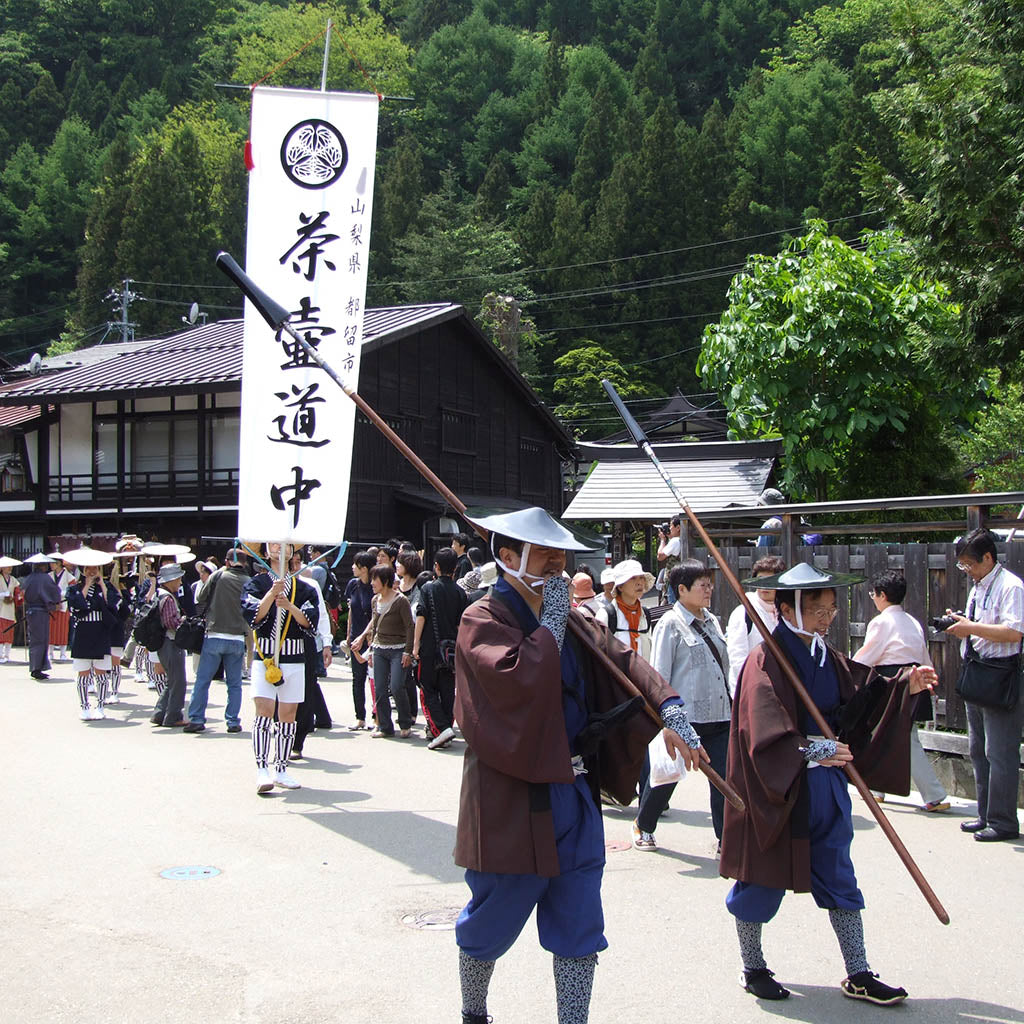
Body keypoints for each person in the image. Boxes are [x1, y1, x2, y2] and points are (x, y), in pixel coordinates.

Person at [452, 506, 707, 1024]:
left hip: (575, 790)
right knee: (492, 919)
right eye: (544, 554)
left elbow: (623, 662)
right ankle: (473, 1011)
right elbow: (519, 682)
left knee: (579, 919)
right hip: (513, 798)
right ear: (508, 557)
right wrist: (548, 624)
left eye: (559, 555)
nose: (557, 564)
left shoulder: (569, 616)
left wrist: (671, 709)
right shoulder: (481, 619)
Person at [719, 562, 937, 1005]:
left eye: (831, 610)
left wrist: (902, 684)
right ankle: (752, 964)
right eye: (817, 609)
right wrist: (809, 749)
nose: (826, 617)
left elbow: (861, 694)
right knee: (761, 879)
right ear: (786, 609)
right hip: (780, 789)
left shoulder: (824, 655)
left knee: (839, 874)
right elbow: (759, 726)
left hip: (826, 789)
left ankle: (858, 971)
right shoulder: (765, 659)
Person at [634, 559, 731, 852]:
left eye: (709, 584)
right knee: (666, 777)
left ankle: (725, 840)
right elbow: (659, 676)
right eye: (702, 585)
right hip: (684, 719)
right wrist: (666, 721)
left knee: (725, 782)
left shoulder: (712, 620)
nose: (709, 590)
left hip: (720, 715)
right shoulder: (669, 625)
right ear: (682, 589)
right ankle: (645, 825)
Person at [944, 528, 1024, 842]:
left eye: (969, 564)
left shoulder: (1011, 586)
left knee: (999, 750)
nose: (967, 571)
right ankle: (986, 814)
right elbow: (983, 625)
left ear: (988, 557)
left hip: (1001, 673)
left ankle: (1003, 822)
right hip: (976, 668)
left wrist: (970, 627)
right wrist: (962, 620)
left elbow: (1014, 632)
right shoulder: (979, 586)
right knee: (977, 749)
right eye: (963, 565)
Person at [853, 569, 949, 812]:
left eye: (874, 594)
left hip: (892, 681)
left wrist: (849, 670)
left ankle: (935, 794)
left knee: (902, 738)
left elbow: (867, 656)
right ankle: (877, 788)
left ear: (882, 595)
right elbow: (923, 655)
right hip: (913, 677)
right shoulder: (911, 621)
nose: (873, 598)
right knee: (887, 735)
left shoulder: (881, 622)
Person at [242, 542, 319, 792]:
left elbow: (309, 624)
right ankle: (262, 768)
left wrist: (289, 606)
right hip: (265, 656)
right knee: (263, 709)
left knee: (288, 715)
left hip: (294, 656)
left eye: (284, 544)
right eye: (272, 544)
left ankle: (282, 768)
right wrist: (270, 595)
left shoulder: (305, 588)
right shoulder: (255, 584)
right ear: (265, 552)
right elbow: (253, 617)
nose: (278, 547)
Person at [184, 548, 250, 734]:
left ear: (227, 561)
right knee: (235, 684)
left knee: (203, 680)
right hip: (237, 637)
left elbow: (200, 597)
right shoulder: (248, 581)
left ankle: (196, 719)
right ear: (244, 563)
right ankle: (232, 721)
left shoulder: (219, 575)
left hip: (214, 634)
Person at [414, 546, 468, 750]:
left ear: (436, 566)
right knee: (447, 690)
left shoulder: (428, 588)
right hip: (451, 649)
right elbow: (460, 624)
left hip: (430, 647)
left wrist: (416, 644)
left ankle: (441, 728)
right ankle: (445, 728)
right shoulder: (460, 592)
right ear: (455, 568)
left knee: (426, 687)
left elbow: (421, 616)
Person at [358, 564, 415, 739]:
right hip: (380, 649)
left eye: (376, 579)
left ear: (386, 581)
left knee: (397, 685)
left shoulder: (401, 601)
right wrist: (371, 650)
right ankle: (385, 726)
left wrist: (408, 652)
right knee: (380, 688)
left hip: (398, 649)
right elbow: (374, 626)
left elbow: (409, 627)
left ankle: (405, 722)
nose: (373, 582)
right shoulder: (375, 600)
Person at [66, 559, 120, 721]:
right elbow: (76, 606)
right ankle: (84, 706)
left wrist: (103, 585)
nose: (92, 571)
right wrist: (87, 585)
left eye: (95, 568)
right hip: (83, 632)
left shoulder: (106, 587)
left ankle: (101, 705)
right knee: (83, 674)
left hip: (100, 632)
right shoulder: (74, 588)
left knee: (101, 674)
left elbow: (112, 605)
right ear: (82, 570)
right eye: (88, 569)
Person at [725, 555, 783, 697]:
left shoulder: (786, 613)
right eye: (760, 579)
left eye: (769, 580)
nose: (764, 585)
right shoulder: (744, 613)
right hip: (750, 690)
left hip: (779, 690)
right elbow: (737, 658)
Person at [149, 563, 188, 729]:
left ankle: (159, 713)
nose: (180, 582)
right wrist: (184, 622)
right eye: (178, 578)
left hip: (162, 644)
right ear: (171, 580)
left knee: (171, 680)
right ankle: (173, 716)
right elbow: (170, 622)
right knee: (179, 681)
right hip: (171, 643)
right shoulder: (168, 598)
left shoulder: (158, 594)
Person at [594, 559, 654, 660]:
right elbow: (598, 654)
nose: (639, 582)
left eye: (641, 578)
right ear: (620, 587)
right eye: (633, 578)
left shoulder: (645, 614)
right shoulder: (607, 614)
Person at [346, 552, 376, 730]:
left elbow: (376, 614)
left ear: (364, 568)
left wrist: (365, 636)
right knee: (357, 678)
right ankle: (359, 717)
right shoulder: (353, 585)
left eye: (355, 565)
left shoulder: (375, 586)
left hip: (371, 638)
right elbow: (351, 609)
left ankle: (375, 716)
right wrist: (349, 633)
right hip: (355, 636)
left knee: (374, 678)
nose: (352, 567)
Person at [23, 560, 61, 679]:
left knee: (34, 640)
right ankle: (37, 668)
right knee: (41, 640)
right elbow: (54, 592)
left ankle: (35, 666)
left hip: (31, 611)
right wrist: (54, 604)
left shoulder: (28, 578)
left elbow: (23, 593)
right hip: (40, 612)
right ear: (43, 566)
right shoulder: (44, 578)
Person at [48, 558, 77, 663]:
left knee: (62, 629)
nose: (51, 565)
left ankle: (63, 653)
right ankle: (50, 652)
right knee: (51, 629)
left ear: (59, 564)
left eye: (53, 563)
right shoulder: (49, 576)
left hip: (63, 604)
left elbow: (73, 590)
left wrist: (63, 594)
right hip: (52, 604)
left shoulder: (68, 576)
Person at [655, 516, 682, 602]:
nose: (670, 528)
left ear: (678, 528)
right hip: (681, 577)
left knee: (672, 605)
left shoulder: (675, 541)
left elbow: (660, 556)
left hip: (673, 579)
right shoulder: (682, 539)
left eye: (671, 526)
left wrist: (662, 540)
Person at [0, 562, 21, 662]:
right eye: (7, 566)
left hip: (10, 608)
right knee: (1, 632)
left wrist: (18, 596)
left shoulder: (13, 580)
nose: (10, 568)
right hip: (1, 607)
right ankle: (0, 654)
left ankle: (7, 655)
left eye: (10, 566)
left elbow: (17, 592)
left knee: (9, 632)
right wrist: (4, 595)